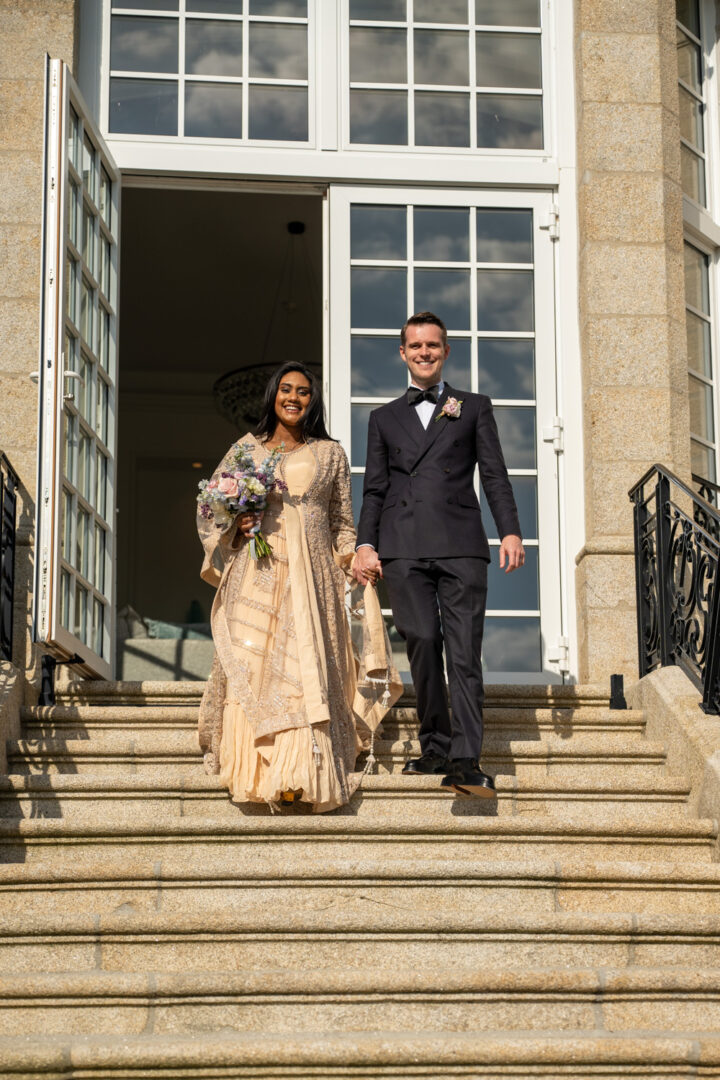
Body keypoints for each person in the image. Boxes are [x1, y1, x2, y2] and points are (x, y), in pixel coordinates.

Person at [198, 362, 401, 813]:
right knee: (255, 668)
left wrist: (356, 557)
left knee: (302, 669)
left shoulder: (330, 454)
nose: (294, 398)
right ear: (272, 395)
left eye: (304, 392)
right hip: (257, 575)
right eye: (286, 390)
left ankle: (298, 773)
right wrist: (238, 521)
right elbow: (211, 508)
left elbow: (341, 523)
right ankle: (255, 768)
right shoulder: (245, 450)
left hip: (314, 579)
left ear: (313, 400)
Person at [354, 312, 524, 798]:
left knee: (464, 653)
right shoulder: (383, 418)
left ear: (446, 352)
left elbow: (493, 475)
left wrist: (509, 532)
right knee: (424, 643)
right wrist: (367, 543)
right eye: (416, 346)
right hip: (403, 547)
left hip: (461, 546)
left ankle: (466, 761)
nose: (424, 352)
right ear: (403, 354)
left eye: (433, 345)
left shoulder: (472, 406)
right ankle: (434, 746)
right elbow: (375, 489)